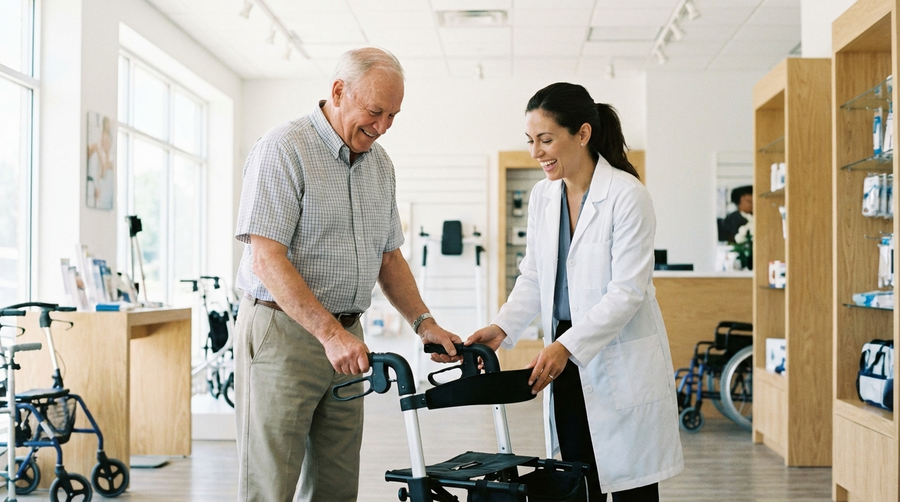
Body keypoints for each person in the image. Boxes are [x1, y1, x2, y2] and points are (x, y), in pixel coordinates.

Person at [233, 47, 461, 502]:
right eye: (375, 112)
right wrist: (329, 334)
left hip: (347, 341)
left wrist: (424, 322)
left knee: (336, 484)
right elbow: (267, 258)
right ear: (338, 92)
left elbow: (389, 258)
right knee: (270, 482)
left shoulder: (380, 166)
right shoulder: (284, 148)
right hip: (284, 334)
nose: (383, 127)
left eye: (393, 115)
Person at [467, 82, 683, 501]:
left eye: (546, 140)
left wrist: (566, 346)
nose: (536, 152)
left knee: (632, 485)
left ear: (582, 133)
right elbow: (533, 275)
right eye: (531, 141)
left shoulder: (627, 195)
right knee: (577, 476)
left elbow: (627, 292)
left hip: (613, 352)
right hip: (564, 355)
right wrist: (501, 328)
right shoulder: (543, 196)